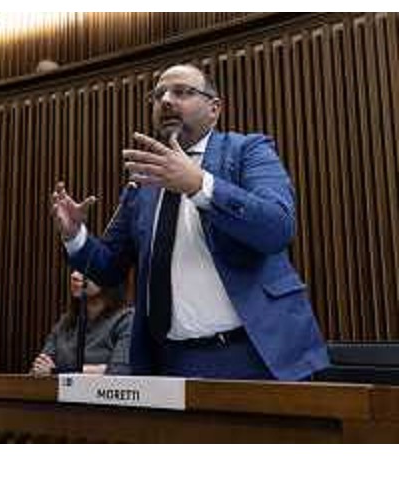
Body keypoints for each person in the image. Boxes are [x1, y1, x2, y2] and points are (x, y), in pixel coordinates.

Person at [51, 63, 329, 380]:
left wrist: (199, 185)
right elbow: (108, 268)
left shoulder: (247, 151)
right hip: (172, 362)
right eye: (158, 95)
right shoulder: (143, 182)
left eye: (182, 92)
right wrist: (75, 235)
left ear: (214, 109)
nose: (166, 100)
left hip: (258, 353)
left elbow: (277, 228)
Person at [30, 271, 132, 375]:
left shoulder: (126, 319)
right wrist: (42, 369)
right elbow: (41, 367)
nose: (74, 275)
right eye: (75, 269)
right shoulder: (65, 322)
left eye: (85, 269)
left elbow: (120, 369)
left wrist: (58, 371)